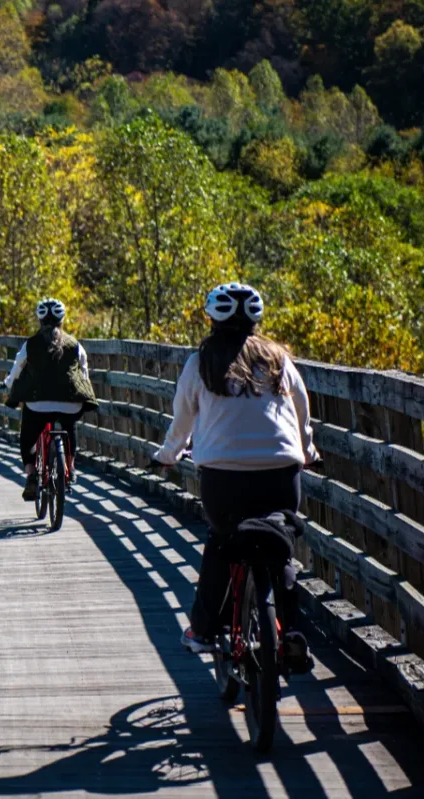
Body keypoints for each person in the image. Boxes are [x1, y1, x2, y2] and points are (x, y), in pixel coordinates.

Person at [152, 283, 319, 673]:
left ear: (212, 319)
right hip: (281, 475)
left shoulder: (202, 361)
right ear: (257, 320)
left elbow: (182, 420)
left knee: (222, 541)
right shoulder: (279, 359)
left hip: (223, 481)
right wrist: (308, 452)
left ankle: (204, 631)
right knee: (279, 547)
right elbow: (301, 411)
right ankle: (291, 630)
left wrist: (168, 456)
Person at [3, 298, 98, 501]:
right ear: (62, 320)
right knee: (69, 426)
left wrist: (8, 384)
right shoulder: (75, 345)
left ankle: (30, 476)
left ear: (40, 321)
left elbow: (16, 369)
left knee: (28, 436)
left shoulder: (30, 344)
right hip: (70, 402)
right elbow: (84, 374)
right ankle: (70, 467)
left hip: (38, 404)